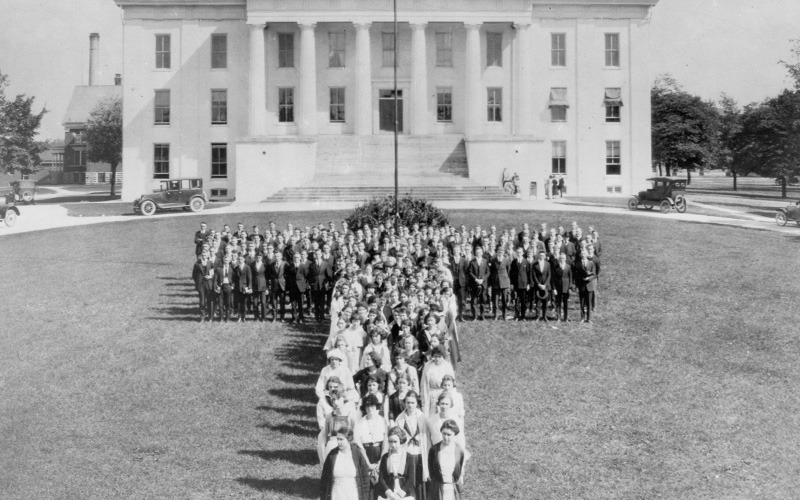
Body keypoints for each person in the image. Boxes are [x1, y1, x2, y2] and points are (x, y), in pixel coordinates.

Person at [320, 424, 372, 500]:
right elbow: (324, 479)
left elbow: (365, 479)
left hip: (353, 495)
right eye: (337, 439)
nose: (338, 442)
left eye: (341, 439)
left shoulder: (357, 454)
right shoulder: (332, 455)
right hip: (336, 494)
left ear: (349, 440)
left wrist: (365, 498)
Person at [394, 391, 429, 499]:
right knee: (408, 481)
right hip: (407, 453)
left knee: (419, 482)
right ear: (404, 403)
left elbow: (426, 436)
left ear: (416, 403)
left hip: (419, 453)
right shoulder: (400, 419)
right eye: (408, 402)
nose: (410, 405)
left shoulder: (422, 417)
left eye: (413, 403)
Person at [427, 419, 467, 500]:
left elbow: (459, 469)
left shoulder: (459, 450)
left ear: (454, 434)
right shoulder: (434, 449)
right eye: (444, 433)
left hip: (452, 487)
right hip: (437, 488)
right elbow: (431, 470)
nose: (445, 437)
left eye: (449, 435)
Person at [376, 427, 418, 500]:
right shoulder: (385, 457)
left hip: (405, 491)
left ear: (401, 441)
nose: (392, 444)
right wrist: (390, 493)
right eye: (390, 442)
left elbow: (410, 478)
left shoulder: (409, 457)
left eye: (395, 442)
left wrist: (400, 494)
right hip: (390, 491)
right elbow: (381, 478)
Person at [420, 346, 455, 416]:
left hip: (444, 394)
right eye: (435, 356)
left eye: (439, 356)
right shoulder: (428, 366)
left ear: (443, 356)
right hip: (432, 395)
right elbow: (423, 384)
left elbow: (452, 384)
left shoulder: (447, 366)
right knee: (432, 416)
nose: (437, 359)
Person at [467, 247, 489, 321]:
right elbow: (470, 272)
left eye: (479, 252)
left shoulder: (485, 261)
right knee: (474, 301)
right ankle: (475, 316)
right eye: (477, 252)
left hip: (483, 283)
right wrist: (476, 279)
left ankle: (482, 315)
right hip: (474, 283)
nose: (478, 253)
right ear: (475, 253)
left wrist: (482, 279)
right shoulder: (472, 261)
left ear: (482, 253)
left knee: (483, 300)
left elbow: (488, 272)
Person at [489, 247, 510, 320]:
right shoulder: (493, 260)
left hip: (504, 282)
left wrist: (505, 278)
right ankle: (495, 315)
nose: (500, 253)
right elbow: (491, 271)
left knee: (504, 300)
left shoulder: (506, 260)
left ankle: (504, 315)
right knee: (495, 300)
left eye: (502, 252)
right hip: (496, 282)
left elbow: (508, 270)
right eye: (499, 252)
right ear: (497, 252)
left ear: (503, 253)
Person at [574, 253, 597, 324]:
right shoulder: (577, 264)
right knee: (582, 302)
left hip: (589, 285)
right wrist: (577, 285)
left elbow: (594, 275)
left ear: (587, 255)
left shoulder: (591, 263)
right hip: (581, 286)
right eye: (582, 254)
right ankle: (582, 318)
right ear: (580, 255)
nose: (583, 255)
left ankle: (589, 318)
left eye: (584, 254)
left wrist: (589, 278)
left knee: (589, 303)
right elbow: (576, 276)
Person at [509, 247, 529, 321]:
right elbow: (511, 274)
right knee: (516, 300)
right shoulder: (514, 262)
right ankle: (517, 315)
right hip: (516, 284)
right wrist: (511, 283)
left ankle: (523, 316)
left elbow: (528, 273)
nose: (519, 254)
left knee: (523, 301)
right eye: (517, 252)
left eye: (520, 252)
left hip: (524, 284)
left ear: (523, 253)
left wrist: (528, 284)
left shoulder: (526, 262)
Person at [551, 252, 573, 322]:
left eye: (563, 258)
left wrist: (569, 287)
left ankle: (566, 318)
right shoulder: (556, 267)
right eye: (560, 258)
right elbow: (553, 279)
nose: (562, 259)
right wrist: (554, 288)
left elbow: (570, 278)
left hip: (566, 287)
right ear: (558, 259)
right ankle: (559, 317)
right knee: (558, 303)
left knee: (565, 303)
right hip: (558, 288)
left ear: (565, 259)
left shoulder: (568, 267)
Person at [531, 250, 551, 322]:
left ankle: (544, 316)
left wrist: (545, 284)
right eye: (540, 255)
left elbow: (549, 275)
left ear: (545, 256)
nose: (542, 256)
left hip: (545, 286)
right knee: (538, 302)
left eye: (543, 255)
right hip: (538, 286)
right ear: (538, 256)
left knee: (545, 302)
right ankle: (537, 316)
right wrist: (538, 284)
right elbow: (534, 275)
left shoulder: (547, 264)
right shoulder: (535, 264)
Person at [233, 254, 253, 322]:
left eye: (241, 259)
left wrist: (249, 287)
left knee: (244, 303)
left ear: (244, 260)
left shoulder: (247, 267)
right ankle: (239, 317)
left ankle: (243, 317)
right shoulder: (236, 268)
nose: (240, 260)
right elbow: (235, 278)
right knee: (238, 303)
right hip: (238, 287)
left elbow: (250, 278)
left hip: (245, 287)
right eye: (239, 259)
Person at [215, 253, 234, 322]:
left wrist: (232, 286)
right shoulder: (219, 269)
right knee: (221, 303)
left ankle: (227, 318)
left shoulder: (231, 269)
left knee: (228, 303)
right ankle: (221, 318)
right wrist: (217, 286)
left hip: (228, 286)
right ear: (223, 260)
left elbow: (234, 279)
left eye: (227, 260)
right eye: (225, 260)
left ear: (229, 261)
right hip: (221, 287)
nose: (226, 261)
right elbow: (216, 279)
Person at [269, 252, 288, 322]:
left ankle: (282, 317)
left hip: (282, 286)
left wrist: (284, 281)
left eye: (278, 256)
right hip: (274, 286)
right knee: (274, 302)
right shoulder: (271, 265)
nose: (277, 258)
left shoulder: (285, 264)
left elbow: (287, 274)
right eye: (275, 256)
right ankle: (274, 317)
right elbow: (270, 275)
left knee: (282, 302)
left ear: (281, 257)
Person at [250, 253, 269, 321]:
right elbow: (251, 276)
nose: (258, 258)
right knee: (255, 302)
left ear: (262, 258)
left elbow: (267, 277)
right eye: (257, 257)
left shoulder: (265, 265)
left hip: (263, 286)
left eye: (260, 257)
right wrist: (250, 287)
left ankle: (264, 317)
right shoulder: (252, 265)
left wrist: (267, 288)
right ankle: (256, 317)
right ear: (255, 257)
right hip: (255, 285)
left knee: (263, 302)